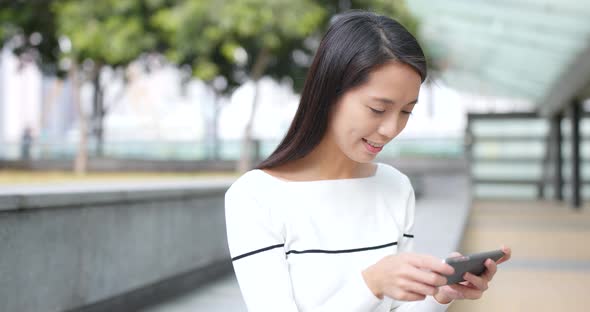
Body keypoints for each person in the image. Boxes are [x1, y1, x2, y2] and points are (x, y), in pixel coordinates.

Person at [224, 10, 511, 311]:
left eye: (406, 112)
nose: (391, 129)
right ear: (329, 93)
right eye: (377, 109)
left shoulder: (396, 188)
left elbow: (395, 307)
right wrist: (371, 284)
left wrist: (439, 295)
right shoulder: (255, 197)